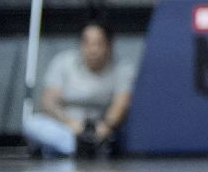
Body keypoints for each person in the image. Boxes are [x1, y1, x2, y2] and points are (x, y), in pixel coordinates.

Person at [21, 22, 133, 158]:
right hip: (65, 127)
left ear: (109, 45)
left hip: (100, 129)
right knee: (32, 124)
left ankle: (68, 149)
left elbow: (121, 104)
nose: (93, 50)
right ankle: (78, 147)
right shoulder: (63, 62)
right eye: (87, 43)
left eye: (98, 43)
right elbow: (48, 102)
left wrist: (105, 127)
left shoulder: (122, 68)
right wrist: (71, 124)